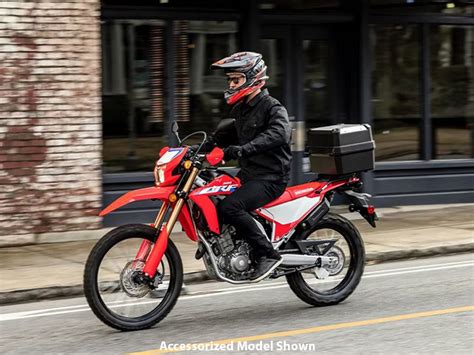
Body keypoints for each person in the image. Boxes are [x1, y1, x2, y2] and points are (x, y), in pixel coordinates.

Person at [200, 52, 292, 280]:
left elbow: (280, 133)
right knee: (213, 199)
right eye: (230, 80)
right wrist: (188, 151)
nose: (231, 85)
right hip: (249, 175)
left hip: (270, 178)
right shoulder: (241, 110)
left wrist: (243, 149)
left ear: (254, 79)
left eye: (236, 80)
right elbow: (218, 140)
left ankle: (268, 255)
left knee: (230, 207)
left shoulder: (272, 107)